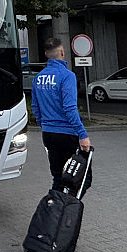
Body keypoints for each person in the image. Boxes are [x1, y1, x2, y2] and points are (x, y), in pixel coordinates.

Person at [31, 37, 91, 191]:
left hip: (48, 134)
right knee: (81, 178)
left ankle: (53, 210)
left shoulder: (38, 78)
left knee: (58, 177)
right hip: (67, 135)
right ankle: (66, 209)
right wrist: (82, 134)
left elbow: (35, 108)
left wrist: (44, 125)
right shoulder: (67, 76)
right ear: (63, 52)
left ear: (46, 54)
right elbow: (70, 108)